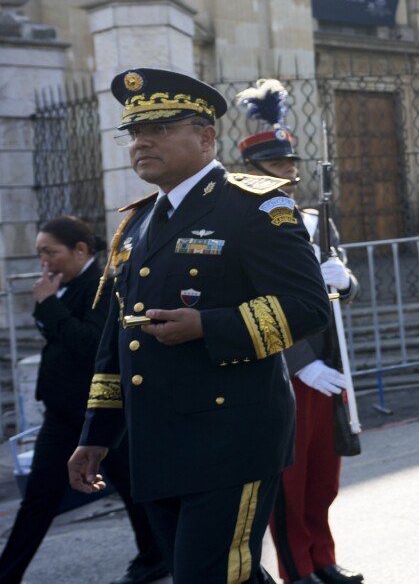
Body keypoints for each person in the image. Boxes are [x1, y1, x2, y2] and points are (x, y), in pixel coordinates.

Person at [68, 68, 331, 584]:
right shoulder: (138, 223)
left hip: (229, 437)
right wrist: (96, 433)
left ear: (206, 136)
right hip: (157, 441)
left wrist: (208, 326)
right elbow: (116, 339)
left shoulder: (256, 206)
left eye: (160, 129)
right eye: (135, 133)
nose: (141, 142)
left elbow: (308, 306)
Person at [232, 80, 365, 584]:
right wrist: (299, 361)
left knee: (322, 472)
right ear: (255, 172)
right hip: (286, 366)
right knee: (288, 477)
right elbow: (251, 300)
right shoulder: (243, 224)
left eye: (291, 167)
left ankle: (322, 556)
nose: (289, 175)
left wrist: (343, 280)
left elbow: (346, 287)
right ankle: (297, 566)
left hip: (329, 361)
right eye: (278, 168)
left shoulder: (314, 221)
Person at [0, 217, 167, 584]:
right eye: (40, 252)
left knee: (137, 491)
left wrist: (48, 304)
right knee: (39, 496)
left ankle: (159, 557)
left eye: (50, 251)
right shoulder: (62, 284)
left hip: (103, 411)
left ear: (80, 250)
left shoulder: (104, 285)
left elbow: (91, 342)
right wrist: (49, 303)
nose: (44, 260)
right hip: (64, 414)